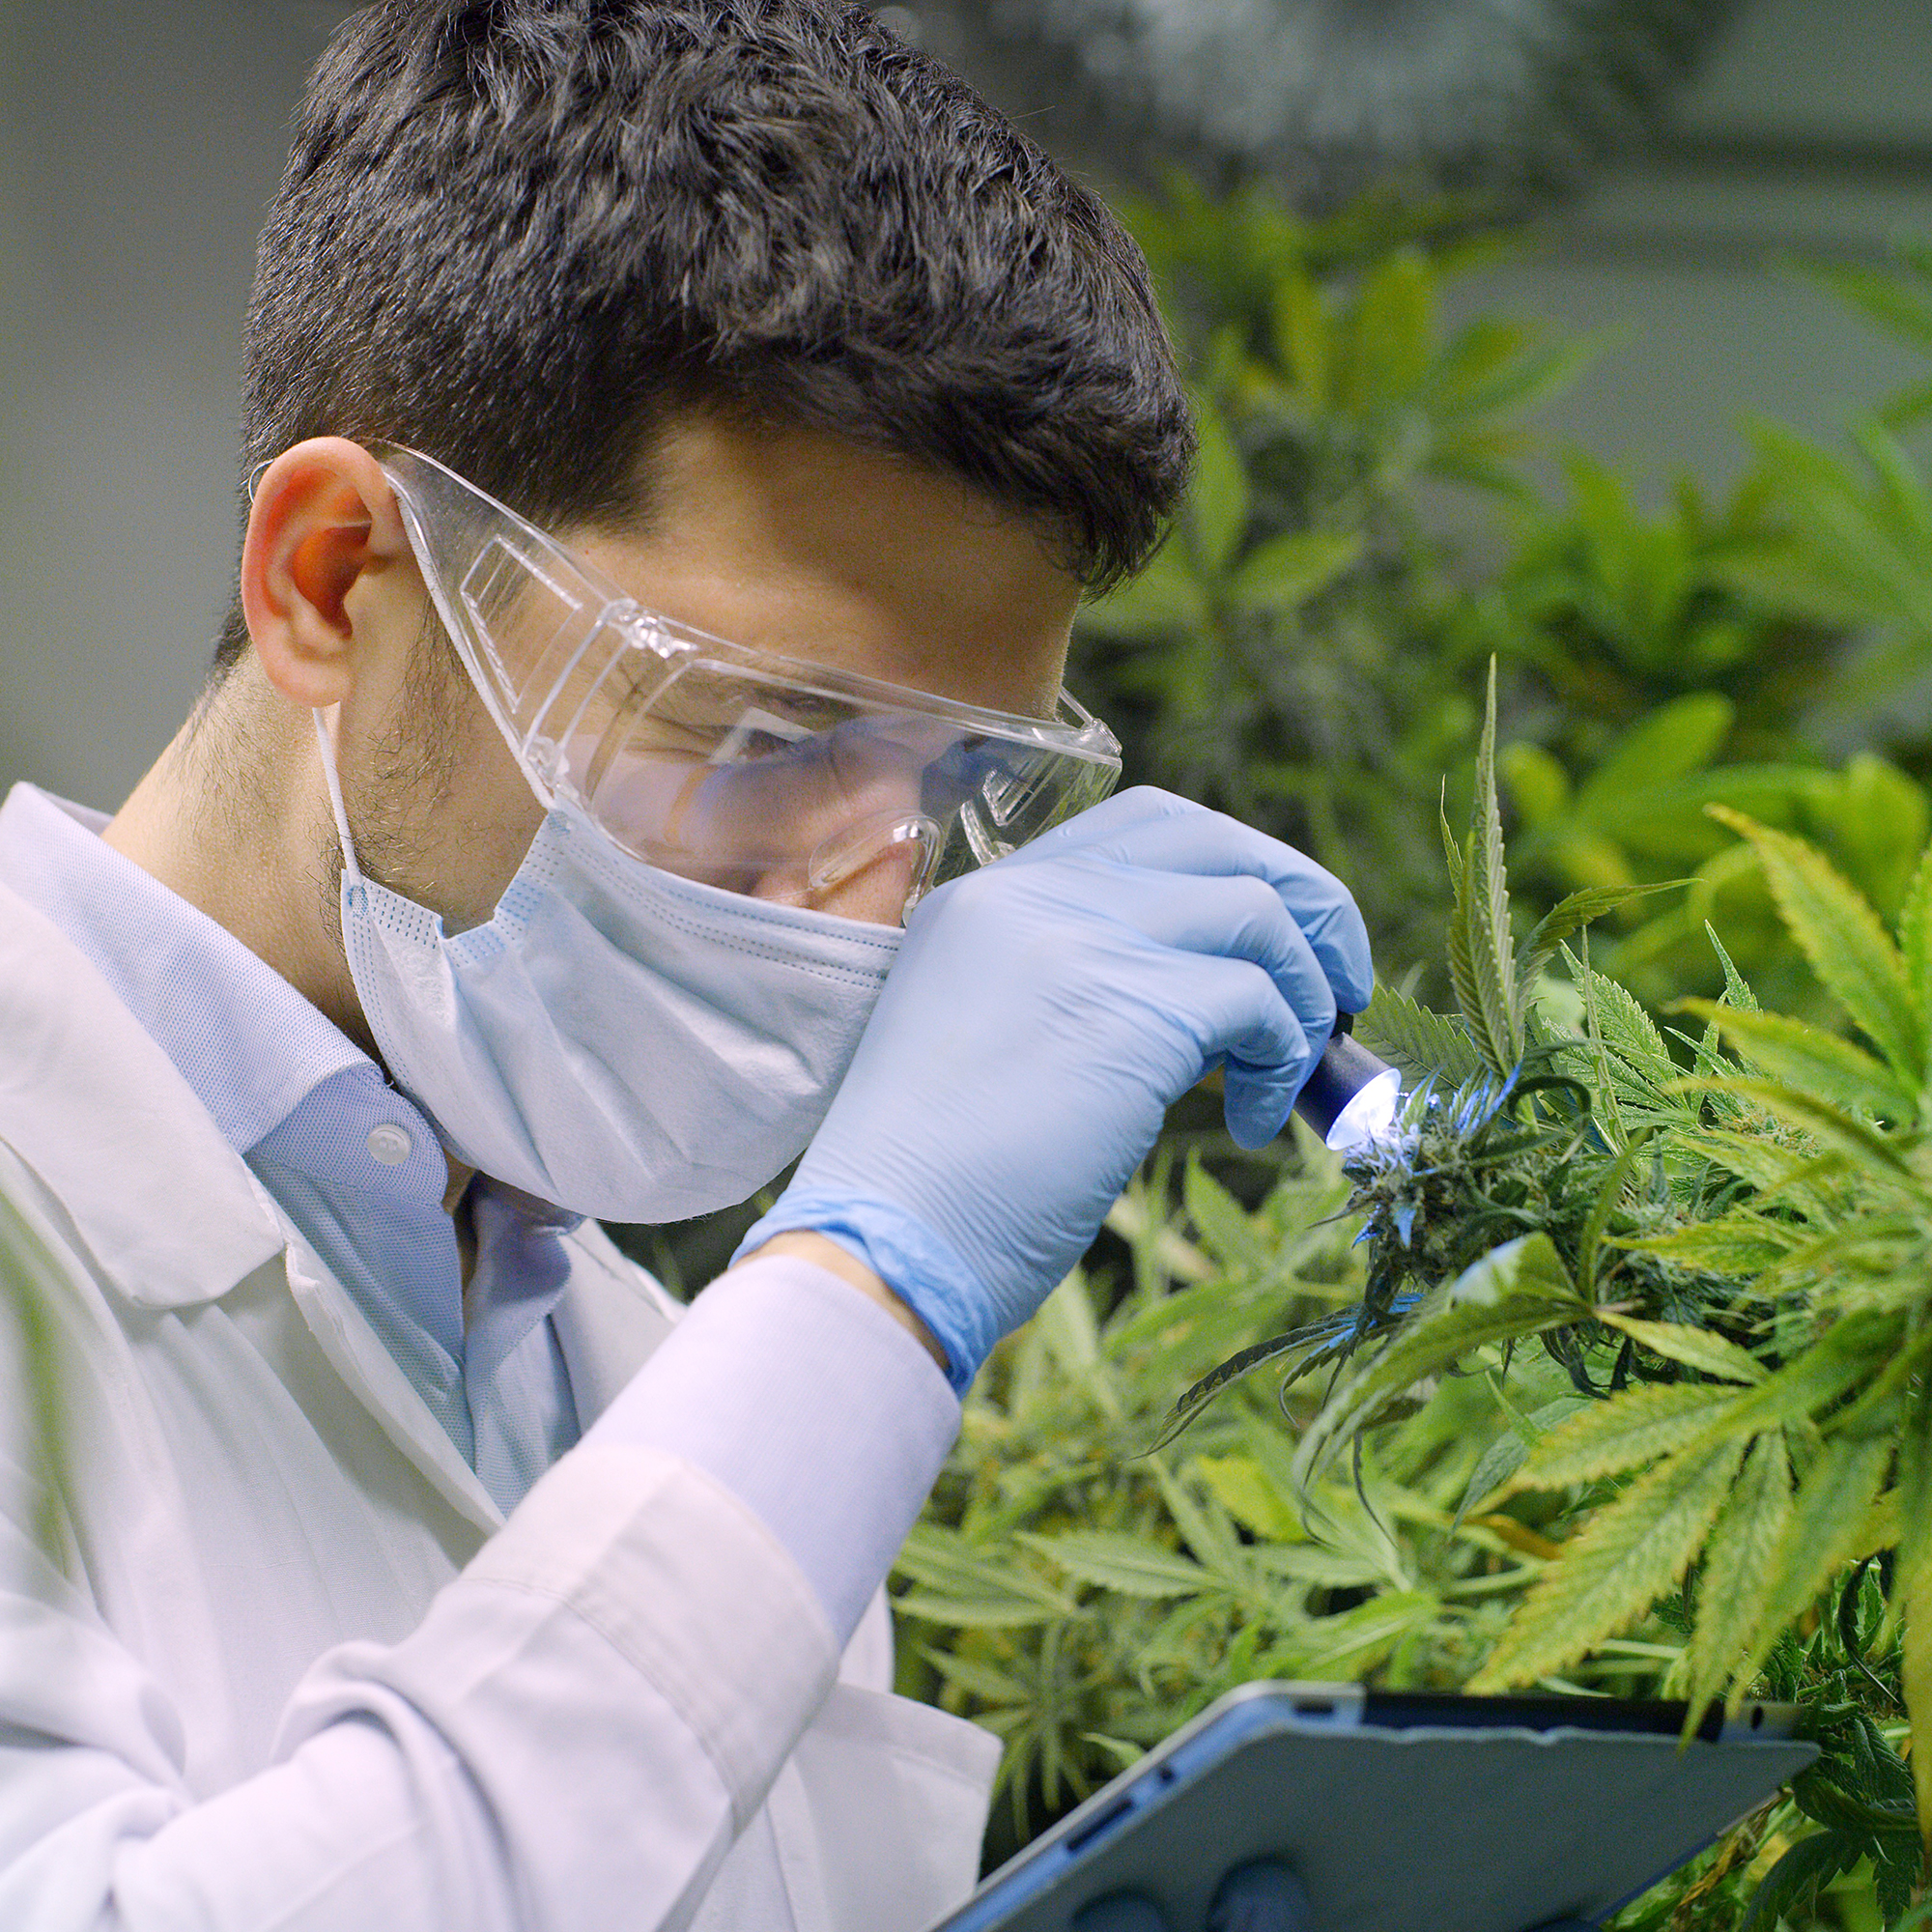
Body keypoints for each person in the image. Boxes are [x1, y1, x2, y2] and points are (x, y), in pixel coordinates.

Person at [0, 3, 1372, 1927]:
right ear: (332, 577)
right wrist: (860, 1300)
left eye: (963, 781)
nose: (868, 899)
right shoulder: (802, 1373)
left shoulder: (650, 1380)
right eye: (769, 729)